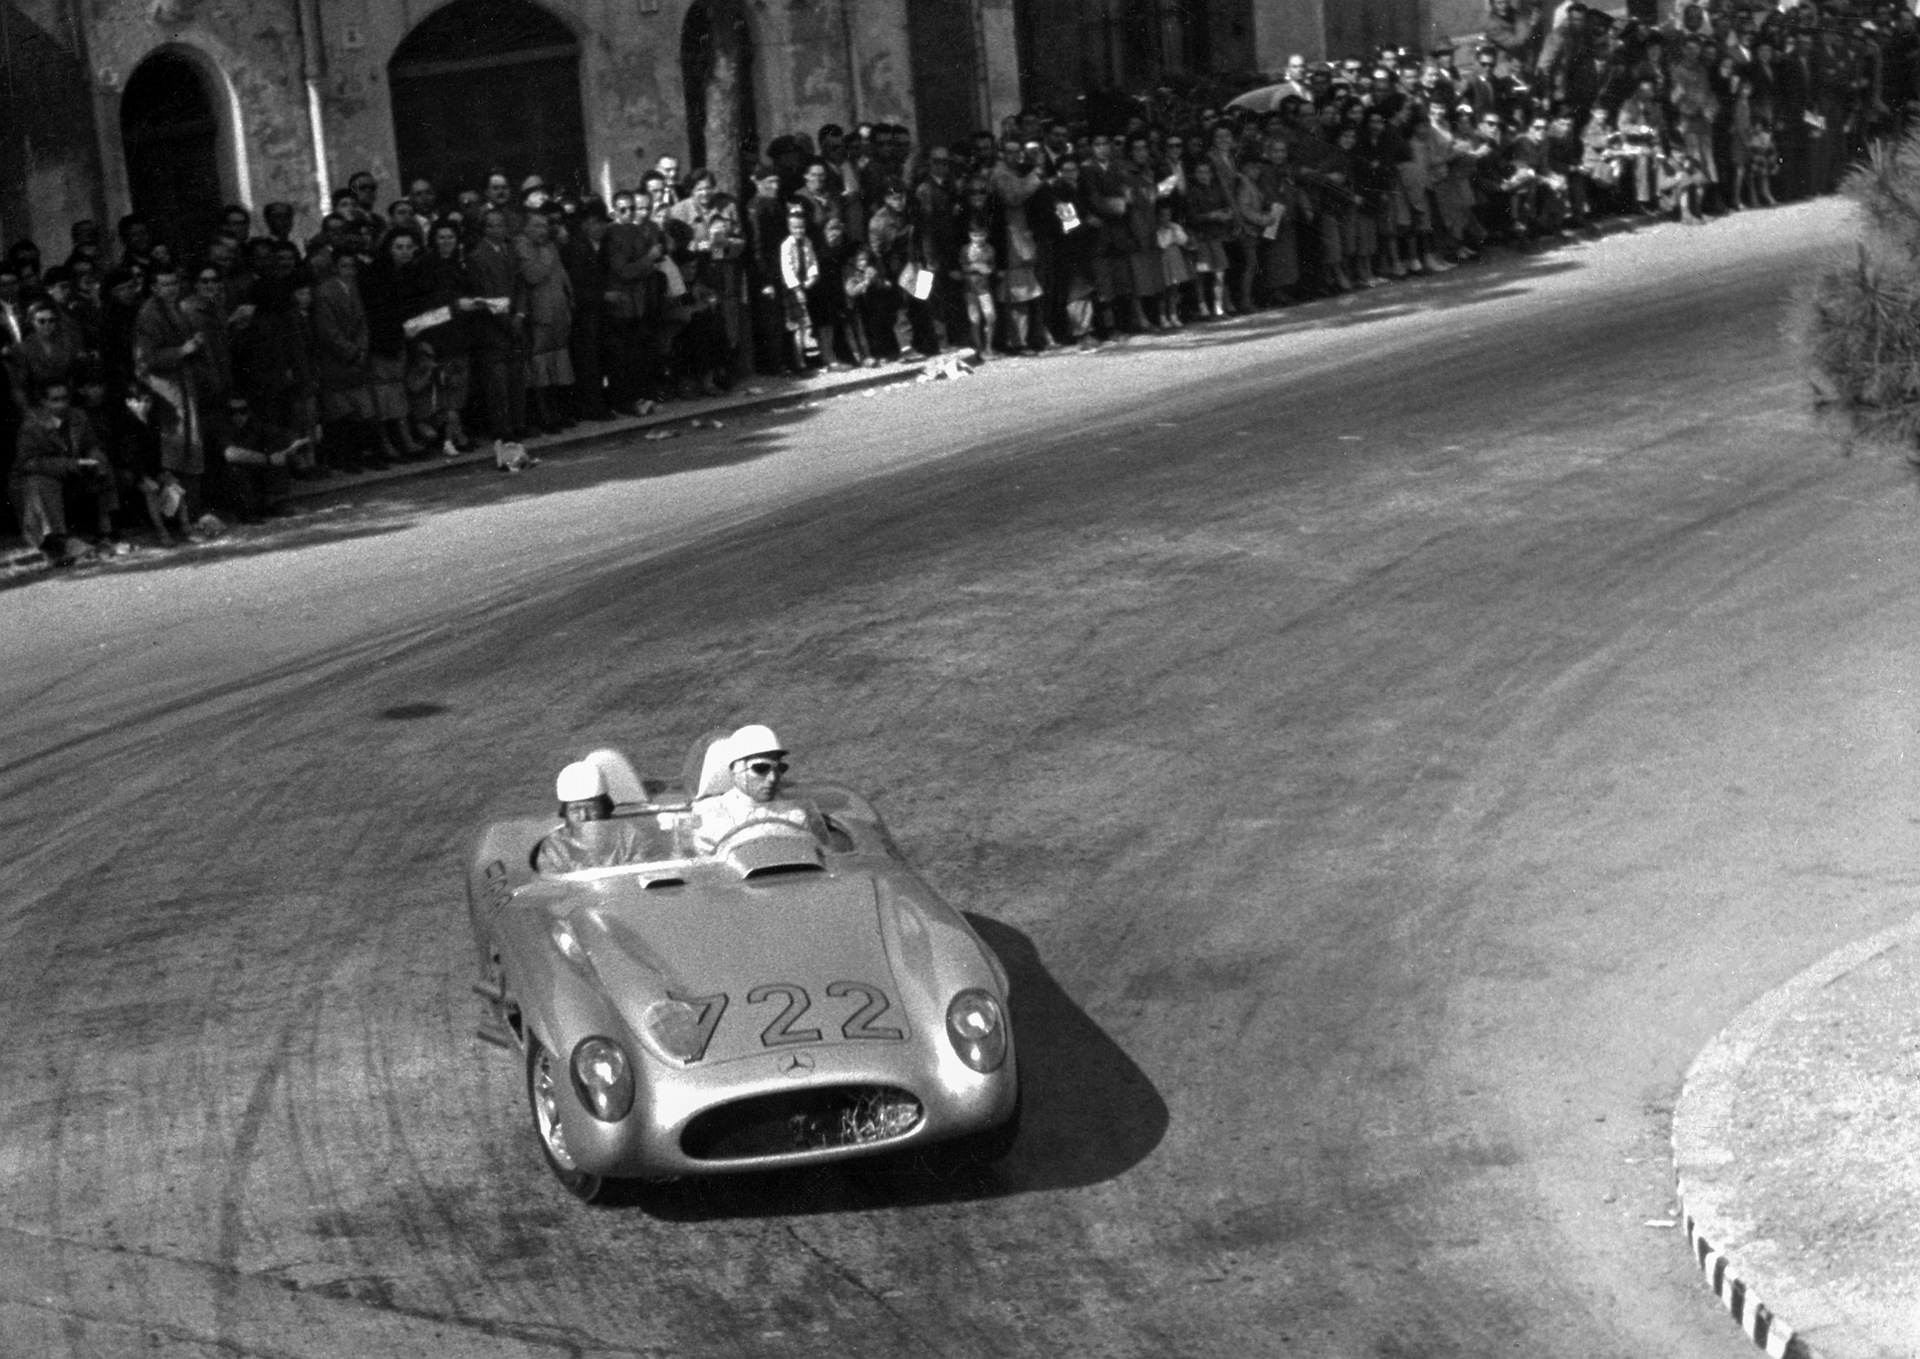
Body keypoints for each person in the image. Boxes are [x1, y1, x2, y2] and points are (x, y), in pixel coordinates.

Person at [692, 725, 813, 854]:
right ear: (736, 769)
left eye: (780, 768)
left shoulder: (794, 815)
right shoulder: (711, 813)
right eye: (761, 768)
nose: (773, 778)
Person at [535, 761, 653, 873]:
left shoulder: (631, 838)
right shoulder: (554, 848)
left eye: (590, 808)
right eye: (575, 810)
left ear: (605, 808)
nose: (583, 816)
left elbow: (638, 876)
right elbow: (551, 884)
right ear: (565, 813)